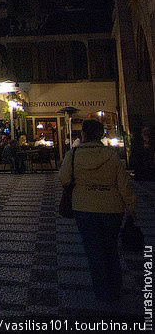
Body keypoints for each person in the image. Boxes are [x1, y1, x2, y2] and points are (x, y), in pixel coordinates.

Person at [59, 119, 137, 304]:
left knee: (94, 250)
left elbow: (64, 178)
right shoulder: (111, 154)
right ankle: (115, 288)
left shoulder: (74, 153)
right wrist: (132, 209)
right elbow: (124, 185)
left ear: (83, 134)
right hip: (112, 207)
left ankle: (102, 291)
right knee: (111, 248)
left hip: (84, 206)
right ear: (100, 134)